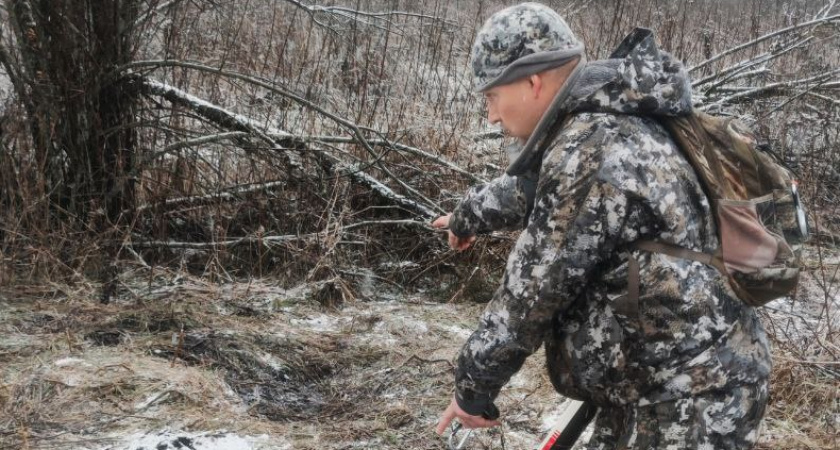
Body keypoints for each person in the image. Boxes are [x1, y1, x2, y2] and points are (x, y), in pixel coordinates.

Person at [432, 3, 771, 449]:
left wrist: (472, 389)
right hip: (658, 385)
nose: (491, 116)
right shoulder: (610, 117)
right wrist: (466, 216)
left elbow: (531, 294)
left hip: (691, 397)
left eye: (492, 96)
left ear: (532, 82)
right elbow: (531, 188)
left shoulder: (591, 145)